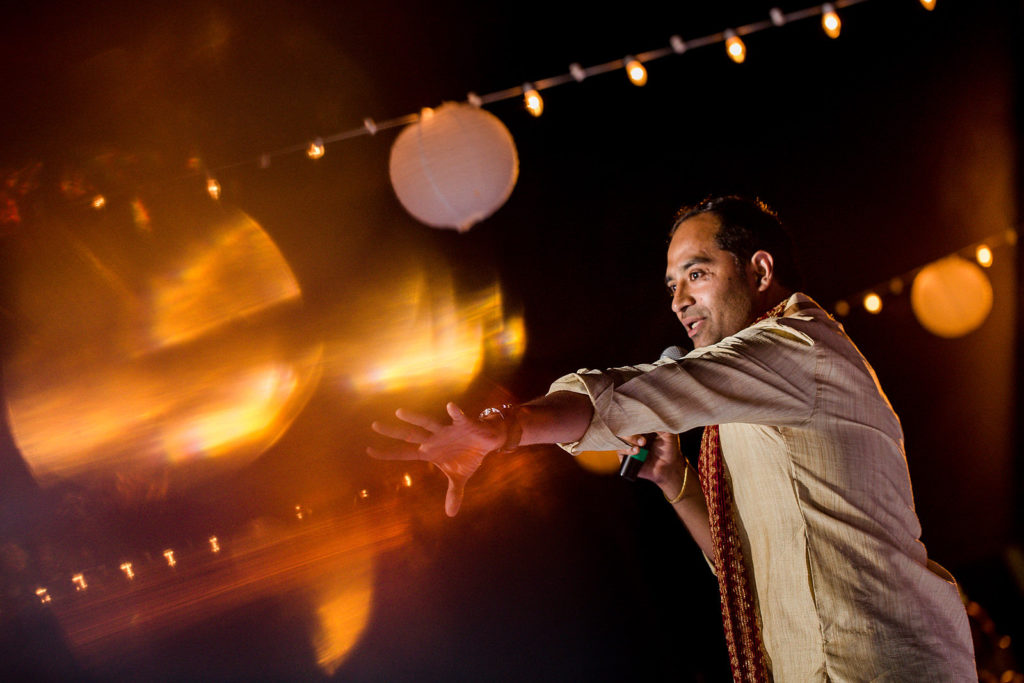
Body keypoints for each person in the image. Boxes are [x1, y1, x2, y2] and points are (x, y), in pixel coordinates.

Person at [368, 195, 976, 681]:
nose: (680, 303)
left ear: (759, 270)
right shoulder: (752, 396)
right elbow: (747, 568)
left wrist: (507, 427)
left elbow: (638, 390)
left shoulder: (799, 349)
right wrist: (676, 481)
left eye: (697, 274)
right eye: (671, 287)